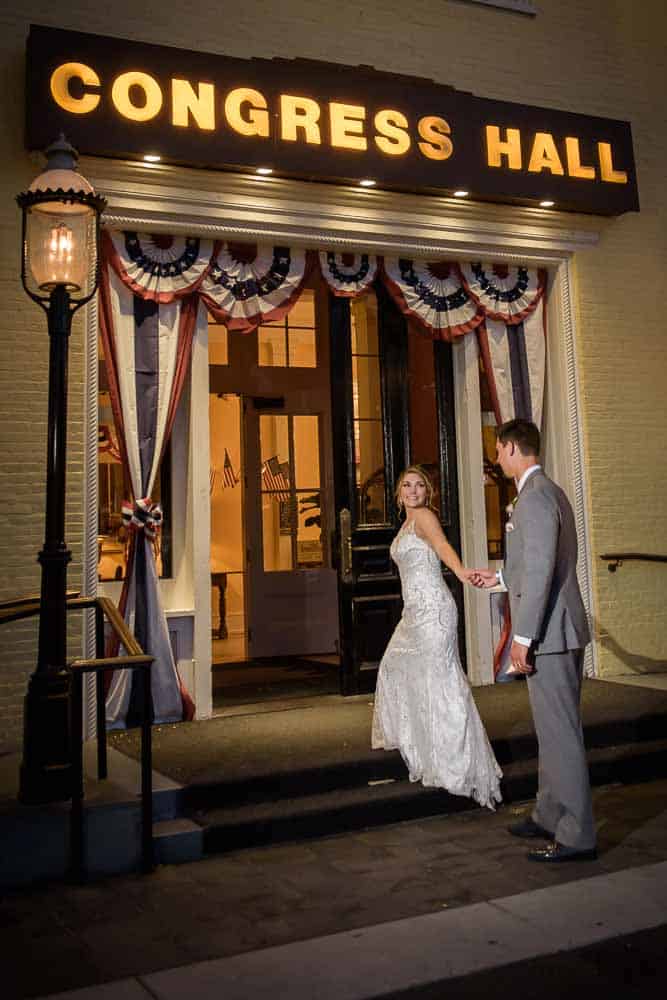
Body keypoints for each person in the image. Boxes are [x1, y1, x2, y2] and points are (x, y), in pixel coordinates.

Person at [475, 419, 596, 861]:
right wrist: (501, 577)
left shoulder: (534, 497)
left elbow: (545, 569)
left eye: (497, 450)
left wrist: (522, 639)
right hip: (556, 629)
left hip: (550, 633)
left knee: (561, 734)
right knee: (552, 732)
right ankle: (548, 812)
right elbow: (537, 562)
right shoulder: (548, 492)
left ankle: (575, 835)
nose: (496, 458)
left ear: (510, 448)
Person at [372, 465, 502, 810]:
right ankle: (422, 743)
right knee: (394, 667)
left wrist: (460, 572)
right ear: (399, 493)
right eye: (407, 486)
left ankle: (456, 762)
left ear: (427, 492)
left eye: (419, 486)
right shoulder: (405, 523)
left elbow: (442, 545)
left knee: (441, 682)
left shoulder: (425, 517)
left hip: (435, 613)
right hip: (414, 614)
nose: (413, 491)